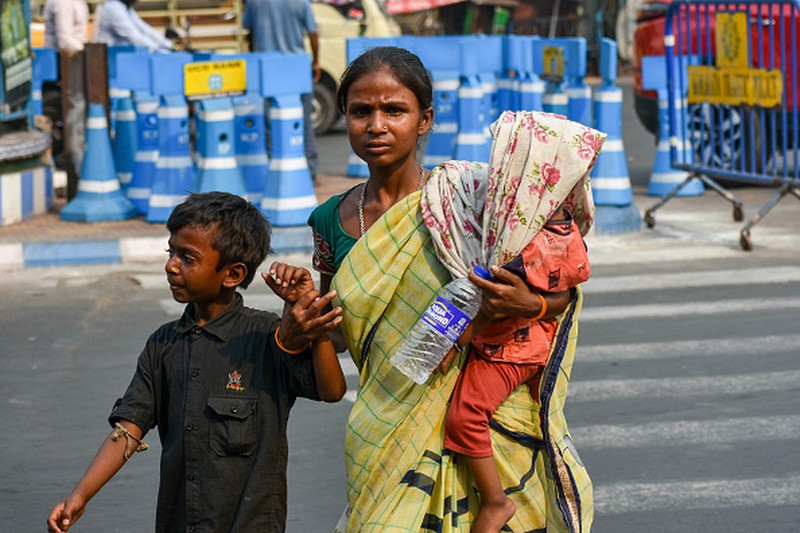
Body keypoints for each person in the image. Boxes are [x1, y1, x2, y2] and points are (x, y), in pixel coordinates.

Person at [308, 46, 599, 532]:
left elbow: (557, 290)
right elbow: (342, 332)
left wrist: (532, 304)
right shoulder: (329, 220)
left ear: (425, 120)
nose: (376, 125)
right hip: (387, 419)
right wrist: (304, 318)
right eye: (361, 111)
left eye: (394, 110)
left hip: (484, 413)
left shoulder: (474, 199)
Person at [46, 191, 346, 533]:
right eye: (171, 252)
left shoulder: (266, 336)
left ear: (232, 274)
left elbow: (332, 390)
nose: (171, 265)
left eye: (187, 258)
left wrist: (314, 327)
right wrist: (81, 494)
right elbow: (128, 429)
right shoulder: (163, 344)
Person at [242, 0, 320, 180]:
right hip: (297, 66)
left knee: (271, 122)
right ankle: (310, 171)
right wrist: (316, 61)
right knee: (303, 122)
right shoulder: (301, 2)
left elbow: (248, 29)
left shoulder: (255, 3)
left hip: (268, 68)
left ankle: (274, 168)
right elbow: (312, 33)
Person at [92, 0, 175, 52]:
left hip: (122, 57)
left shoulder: (126, 8)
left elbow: (145, 29)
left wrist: (171, 45)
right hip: (108, 59)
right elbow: (134, 37)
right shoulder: (112, 8)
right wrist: (161, 51)